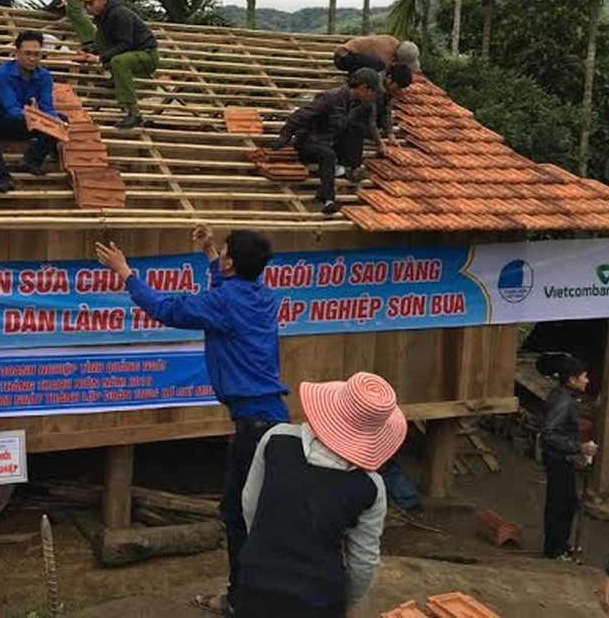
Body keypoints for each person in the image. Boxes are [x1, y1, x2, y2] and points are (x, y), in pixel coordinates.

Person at [94, 224, 288, 617]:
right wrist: (211, 253)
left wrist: (125, 272)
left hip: (253, 427)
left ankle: (241, 599)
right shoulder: (263, 296)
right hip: (274, 421)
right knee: (260, 512)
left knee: (235, 514)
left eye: (226, 254)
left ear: (233, 263)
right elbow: (227, 291)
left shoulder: (225, 303)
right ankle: (263, 593)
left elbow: (166, 309)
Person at [237, 371, 406, 618]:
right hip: (320, 597)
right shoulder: (370, 486)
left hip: (256, 582)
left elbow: (250, 506)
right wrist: (346, 605)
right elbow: (363, 563)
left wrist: (268, 552)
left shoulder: (276, 439)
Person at [270, 68, 380, 215]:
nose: (371, 95)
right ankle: (328, 200)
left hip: (328, 141)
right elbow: (299, 116)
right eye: (370, 91)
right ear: (363, 88)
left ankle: (348, 169)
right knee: (327, 155)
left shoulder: (355, 103)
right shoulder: (330, 99)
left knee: (355, 129)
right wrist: (284, 138)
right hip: (308, 143)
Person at [0, 31, 60, 192]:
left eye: (36, 54)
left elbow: (48, 107)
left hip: (29, 123)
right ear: (17, 53)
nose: (32, 58)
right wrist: (34, 115)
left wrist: (56, 122)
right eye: (27, 53)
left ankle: (32, 161)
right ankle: (1, 177)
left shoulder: (45, 76)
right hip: (3, 122)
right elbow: (11, 108)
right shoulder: (3, 73)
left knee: (60, 120)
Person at [537, 352, 597, 560]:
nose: (587, 380)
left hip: (563, 457)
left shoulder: (565, 396)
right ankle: (555, 550)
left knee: (566, 503)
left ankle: (559, 545)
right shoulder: (563, 401)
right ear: (572, 379)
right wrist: (579, 447)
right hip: (558, 458)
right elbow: (549, 434)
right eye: (584, 376)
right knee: (560, 505)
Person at [78, 0, 158, 130]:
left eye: (91, 2)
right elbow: (105, 42)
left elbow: (125, 44)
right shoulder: (102, 17)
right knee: (100, 38)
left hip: (146, 55)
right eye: (85, 3)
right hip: (131, 54)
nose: (87, 7)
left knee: (118, 61)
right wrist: (92, 51)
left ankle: (134, 113)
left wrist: (100, 58)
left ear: (102, 0)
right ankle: (115, 78)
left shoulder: (120, 13)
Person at [333, 34, 420, 85]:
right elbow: (385, 73)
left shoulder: (393, 42)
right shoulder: (385, 53)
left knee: (375, 63)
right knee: (379, 65)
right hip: (342, 58)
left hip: (353, 56)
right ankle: (355, 80)